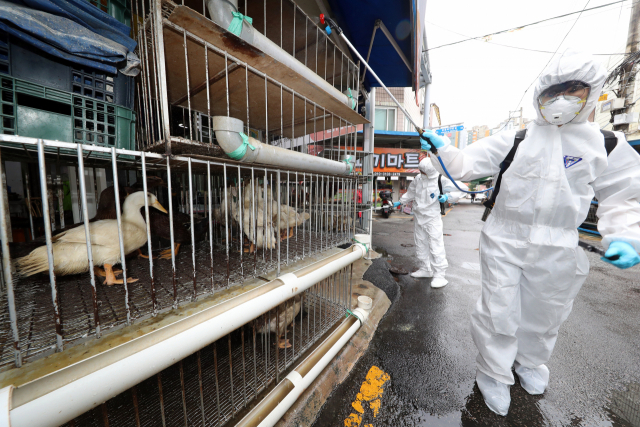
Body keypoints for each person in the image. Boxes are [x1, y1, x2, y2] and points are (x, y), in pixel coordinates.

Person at [420, 50, 640, 416]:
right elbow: (466, 164)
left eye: (575, 90)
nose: (563, 100)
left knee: (546, 312)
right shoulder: (517, 138)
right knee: (499, 310)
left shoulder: (605, 145)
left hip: (560, 242)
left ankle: (530, 363)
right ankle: (493, 373)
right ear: (540, 94)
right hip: (505, 236)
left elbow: (625, 195)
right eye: (555, 91)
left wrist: (625, 236)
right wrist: (445, 150)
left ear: (592, 93)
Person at [394, 158, 465, 288]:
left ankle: (439, 275)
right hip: (419, 216)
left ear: (430, 170)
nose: (421, 172)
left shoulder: (441, 179)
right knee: (420, 243)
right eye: (420, 170)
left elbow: (462, 188)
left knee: (435, 245)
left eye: (423, 171)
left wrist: (448, 197)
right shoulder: (418, 178)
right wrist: (401, 201)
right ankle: (425, 269)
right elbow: (411, 192)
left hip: (432, 218)